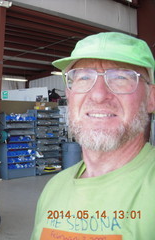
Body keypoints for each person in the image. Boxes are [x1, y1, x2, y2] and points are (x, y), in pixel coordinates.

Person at [31, 32, 155, 239]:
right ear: (69, 95)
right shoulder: (53, 189)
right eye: (83, 77)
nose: (98, 94)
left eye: (120, 77)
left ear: (151, 98)